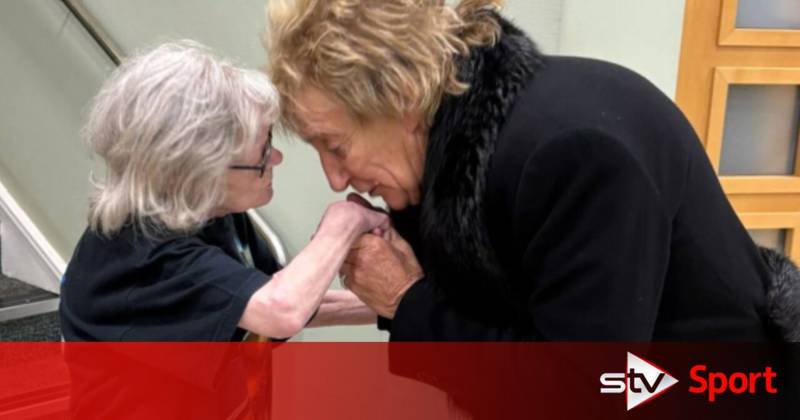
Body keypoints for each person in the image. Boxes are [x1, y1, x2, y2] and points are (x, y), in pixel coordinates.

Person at [266, 0, 800, 341]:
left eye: (335, 146)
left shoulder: (574, 155)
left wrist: (407, 302)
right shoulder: (450, 158)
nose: (336, 178)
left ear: (402, 97)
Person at [59, 41, 388, 341]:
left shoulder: (211, 214)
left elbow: (277, 295)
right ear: (196, 173)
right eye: (262, 154)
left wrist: (406, 300)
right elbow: (280, 310)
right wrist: (343, 223)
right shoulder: (145, 256)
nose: (276, 158)